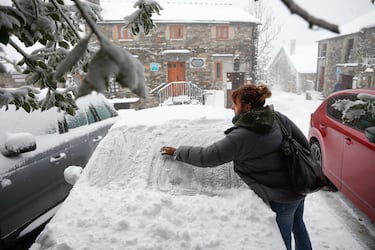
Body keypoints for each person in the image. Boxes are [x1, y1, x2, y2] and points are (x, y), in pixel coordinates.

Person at [160, 84, 312, 250]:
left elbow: (208, 156)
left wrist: (178, 152)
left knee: (282, 243)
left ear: (247, 107)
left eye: (235, 104)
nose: (232, 107)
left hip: (281, 197)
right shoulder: (276, 117)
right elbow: (302, 142)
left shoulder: (242, 137)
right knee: (298, 227)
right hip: (298, 184)